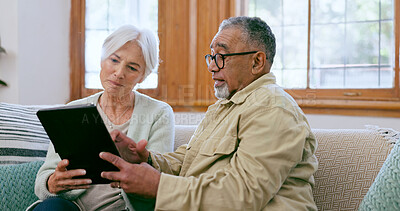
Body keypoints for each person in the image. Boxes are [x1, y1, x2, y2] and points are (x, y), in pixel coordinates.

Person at [98, 16, 318, 210]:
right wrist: (146, 159)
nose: (212, 67)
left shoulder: (272, 108)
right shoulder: (225, 106)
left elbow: (243, 196)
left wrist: (158, 186)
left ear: (257, 62)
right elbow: (188, 161)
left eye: (221, 56)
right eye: (211, 56)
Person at [29, 25, 175, 211]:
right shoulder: (72, 110)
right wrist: (52, 183)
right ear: (101, 59)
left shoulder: (159, 113)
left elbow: (157, 181)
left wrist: (135, 163)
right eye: (114, 60)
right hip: (71, 206)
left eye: (131, 67)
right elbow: (44, 180)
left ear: (142, 76)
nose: (119, 73)